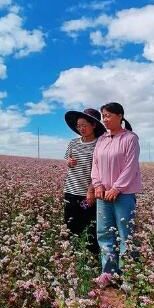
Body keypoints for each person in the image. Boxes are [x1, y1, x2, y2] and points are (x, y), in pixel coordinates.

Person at [92, 102, 142, 275]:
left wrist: (117, 188)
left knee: (126, 235)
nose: (104, 120)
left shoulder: (130, 138)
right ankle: (108, 273)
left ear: (120, 116)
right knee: (104, 234)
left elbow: (131, 166)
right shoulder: (101, 139)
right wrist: (97, 185)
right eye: (103, 116)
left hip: (124, 195)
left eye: (108, 116)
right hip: (103, 195)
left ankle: (128, 276)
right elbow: (95, 165)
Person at [63, 108, 107, 255]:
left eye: (84, 125)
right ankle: (71, 254)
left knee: (88, 222)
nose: (81, 128)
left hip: (87, 194)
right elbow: (67, 159)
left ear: (93, 125)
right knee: (70, 221)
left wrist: (91, 190)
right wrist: (69, 162)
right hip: (70, 190)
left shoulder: (99, 145)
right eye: (78, 125)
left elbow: (99, 169)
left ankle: (91, 254)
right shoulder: (73, 143)